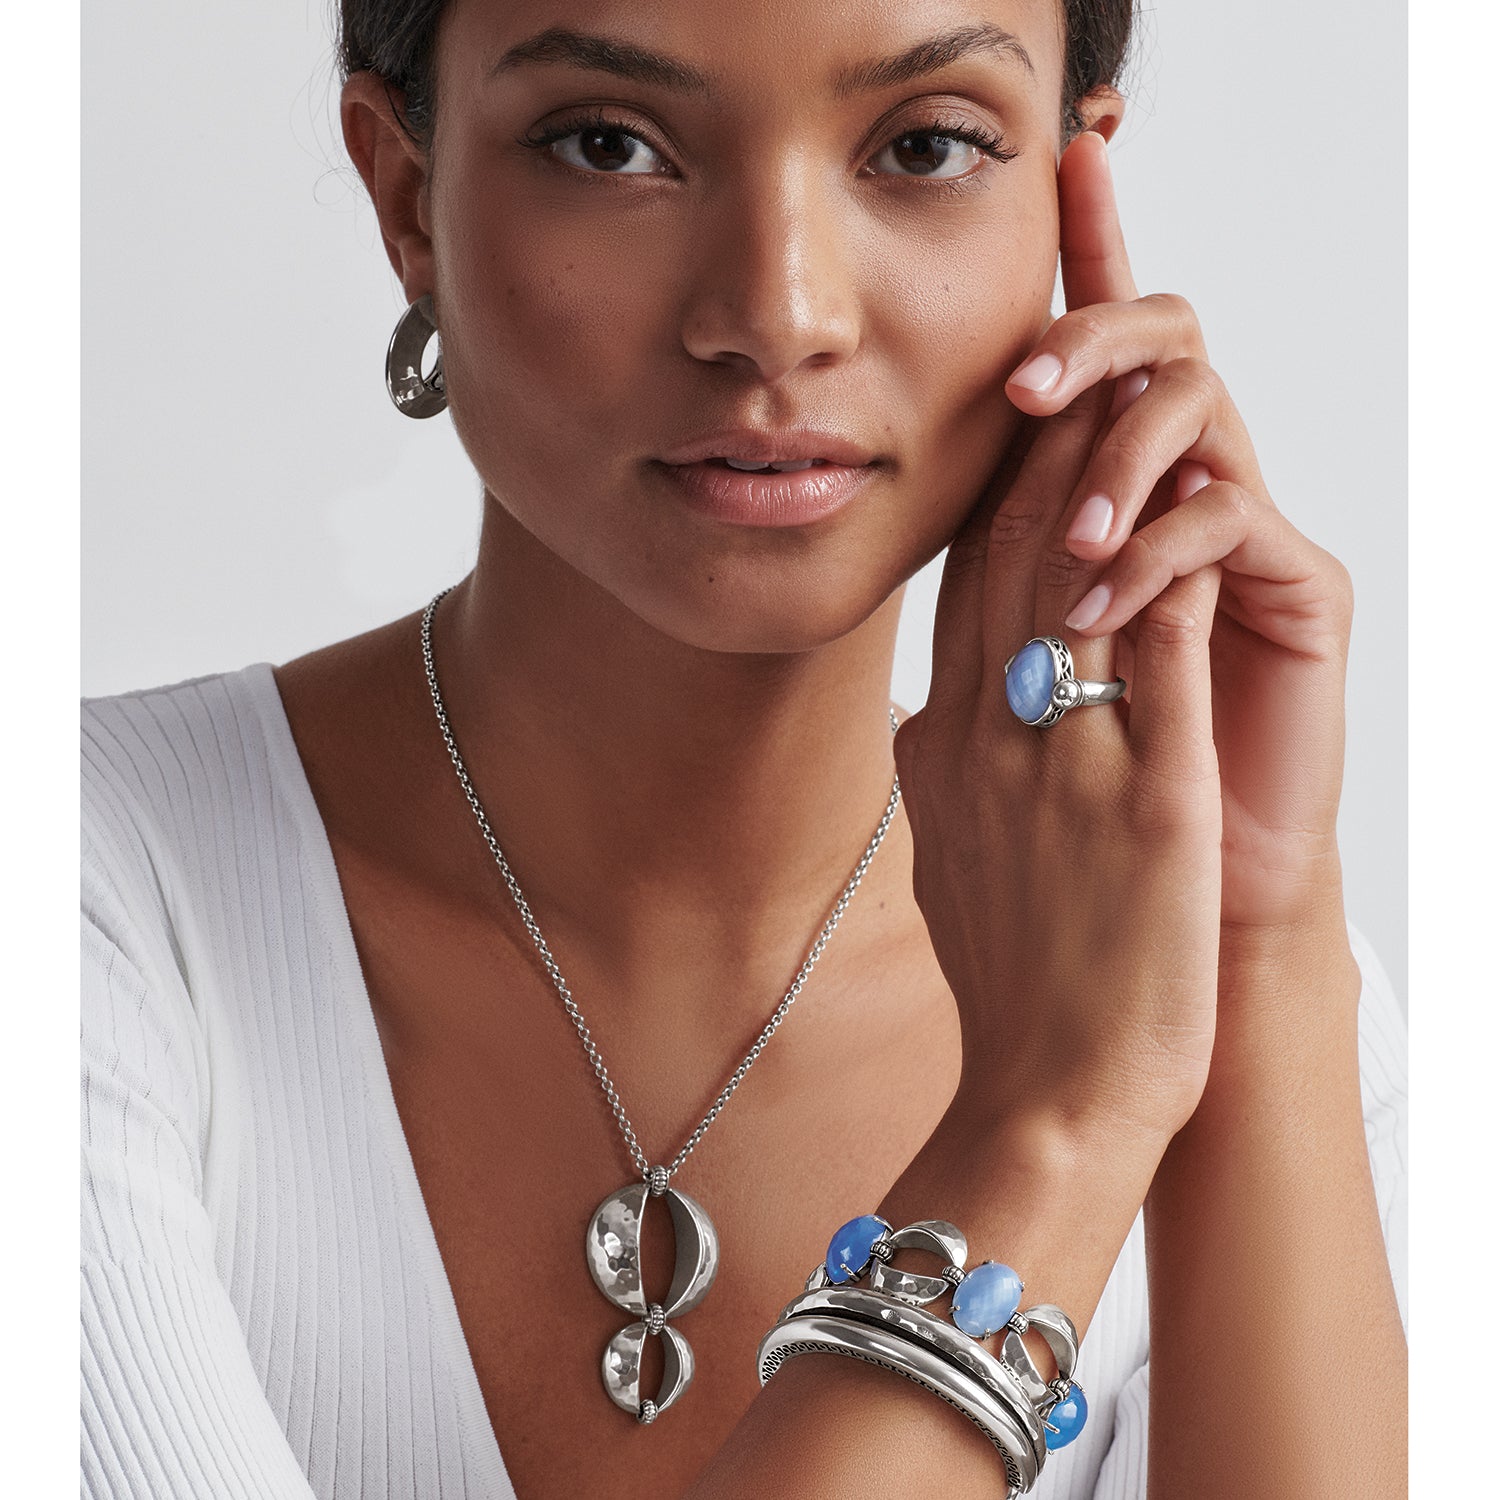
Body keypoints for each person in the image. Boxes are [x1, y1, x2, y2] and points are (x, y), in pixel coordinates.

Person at [80, 1, 1408, 1496]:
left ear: (1064, 190)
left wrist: (1258, 949)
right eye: (609, 145)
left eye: (926, 148)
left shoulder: (1251, 1009)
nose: (780, 313)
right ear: (409, 195)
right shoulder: (87, 909)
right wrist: (1046, 1132)